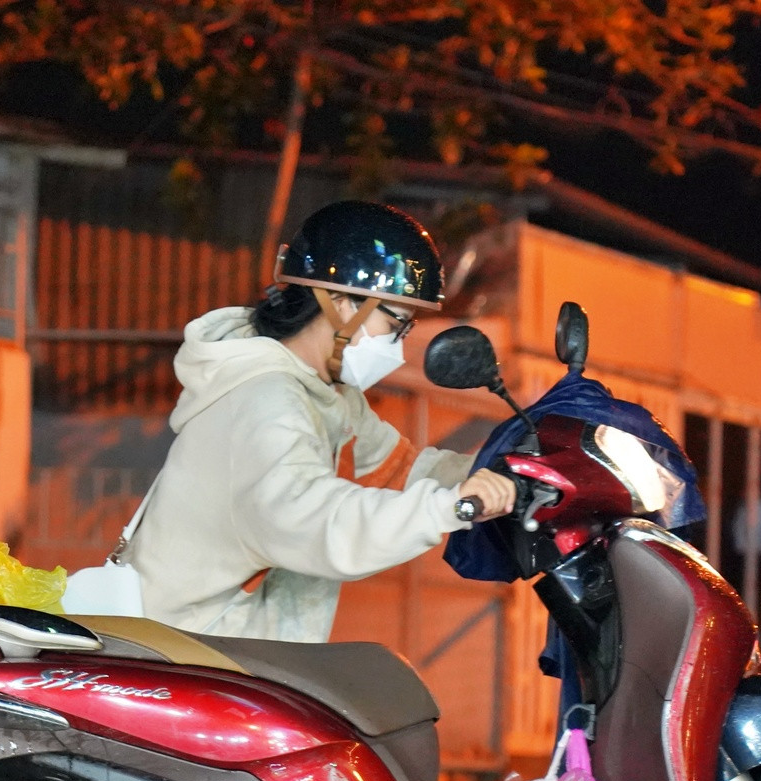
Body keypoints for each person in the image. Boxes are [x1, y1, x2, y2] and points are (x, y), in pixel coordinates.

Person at [124, 200, 518, 641]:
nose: (398, 346)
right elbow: (317, 522)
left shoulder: (328, 395)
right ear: (340, 303)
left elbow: (402, 471)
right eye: (397, 324)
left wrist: (509, 470)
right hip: (186, 657)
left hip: (242, 653)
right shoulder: (265, 402)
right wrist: (452, 506)